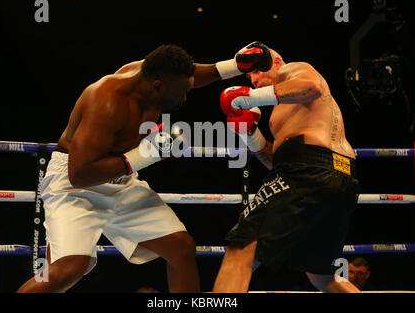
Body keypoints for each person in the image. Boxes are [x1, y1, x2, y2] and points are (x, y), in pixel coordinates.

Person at [16, 43, 262, 293]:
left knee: (181, 247)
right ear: (158, 86)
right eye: (182, 92)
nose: (185, 97)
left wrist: (235, 66)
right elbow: (79, 174)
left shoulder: (155, 76)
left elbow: (191, 75)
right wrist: (146, 155)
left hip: (122, 183)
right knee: (69, 269)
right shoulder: (107, 101)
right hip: (74, 187)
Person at [213, 41, 362, 293]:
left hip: (308, 171)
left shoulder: (294, 69)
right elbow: (277, 161)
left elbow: (311, 87)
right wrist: (251, 135)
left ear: (277, 62)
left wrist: (247, 98)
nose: (252, 79)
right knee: (322, 277)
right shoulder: (281, 111)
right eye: (248, 75)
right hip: (340, 177)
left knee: (241, 248)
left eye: (257, 70)